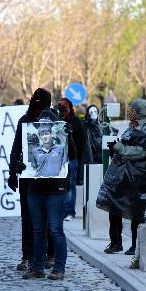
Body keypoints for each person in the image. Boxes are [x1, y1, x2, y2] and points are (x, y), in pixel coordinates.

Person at [97, 99, 146, 255]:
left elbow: (141, 152)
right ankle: (115, 242)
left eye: (132, 109)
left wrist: (120, 148)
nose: (129, 112)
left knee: (136, 210)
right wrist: (116, 146)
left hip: (138, 176)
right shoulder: (131, 126)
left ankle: (135, 246)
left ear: (139, 112)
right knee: (114, 206)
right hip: (123, 173)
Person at [22, 109, 75, 280]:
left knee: (55, 229)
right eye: (42, 131)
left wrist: (70, 137)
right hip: (35, 190)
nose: (45, 134)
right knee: (38, 230)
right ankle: (37, 267)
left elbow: (73, 155)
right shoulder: (34, 150)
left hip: (55, 191)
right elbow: (29, 166)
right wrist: (18, 168)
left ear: (53, 131)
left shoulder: (61, 147)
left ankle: (59, 268)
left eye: (48, 130)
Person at [8, 88, 55, 271]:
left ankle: (50, 254)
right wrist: (13, 171)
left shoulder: (55, 122)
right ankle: (27, 255)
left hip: (50, 178)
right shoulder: (24, 121)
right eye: (34, 108)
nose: (36, 112)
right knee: (27, 218)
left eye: (40, 108)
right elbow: (16, 148)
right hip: (29, 178)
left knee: (50, 218)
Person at [58, 98, 88, 221]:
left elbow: (81, 143)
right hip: (59, 159)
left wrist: (78, 159)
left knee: (70, 185)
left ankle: (70, 212)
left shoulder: (76, 122)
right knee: (60, 186)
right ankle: (61, 211)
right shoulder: (57, 121)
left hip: (71, 158)